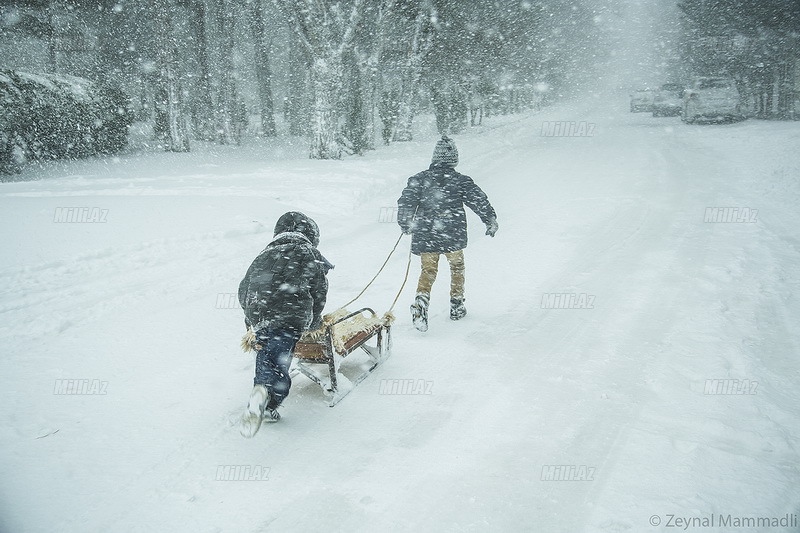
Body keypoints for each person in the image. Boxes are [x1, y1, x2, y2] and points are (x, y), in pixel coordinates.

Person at [237, 211, 332, 437]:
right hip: (290, 314)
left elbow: (243, 290)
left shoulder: (263, 255)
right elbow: (319, 291)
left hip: (260, 313)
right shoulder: (308, 252)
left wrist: (251, 321)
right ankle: (270, 402)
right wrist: (314, 320)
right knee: (280, 359)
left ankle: (261, 390)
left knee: (266, 354)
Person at [397, 135, 498, 332]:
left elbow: (406, 201)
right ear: (454, 160)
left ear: (434, 158)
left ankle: (421, 302)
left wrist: (405, 222)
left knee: (428, 271)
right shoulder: (460, 181)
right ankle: (457, 305)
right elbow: (478, 200)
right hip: (452, 233)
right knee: (457, 267)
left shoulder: (419, 179)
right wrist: (490, 219)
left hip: (426, 233)